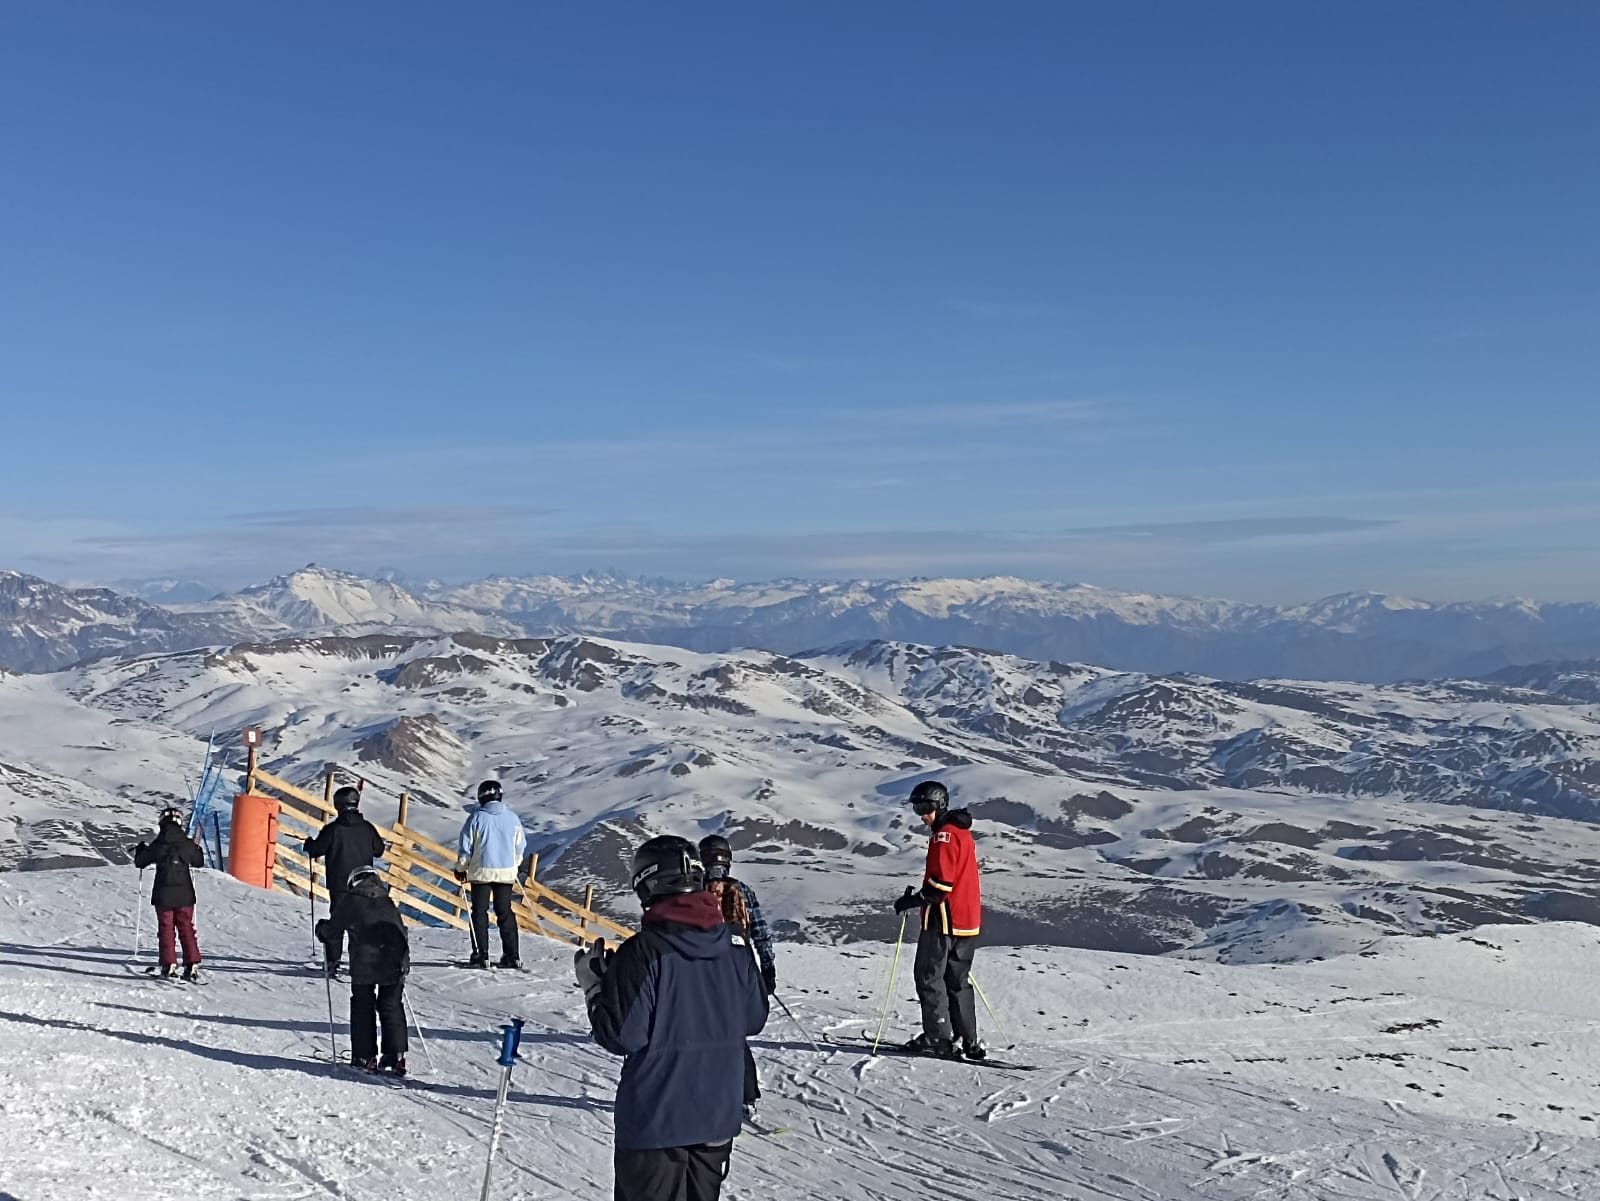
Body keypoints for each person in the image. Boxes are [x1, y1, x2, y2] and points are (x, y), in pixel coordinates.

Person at [574, 835, 768, 1201]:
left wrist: (595, 988)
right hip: (717, 1117)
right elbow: (753, 1018)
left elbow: (622, 1036)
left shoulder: (644, 951)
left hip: (656, 1120)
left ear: (646, 885)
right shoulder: (735, 945)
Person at [893, 779, 984, 1060]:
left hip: (943, 920)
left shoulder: (942, 836)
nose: (921, 815)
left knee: (929, 976)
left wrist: (912, 901)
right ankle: (967, 1039)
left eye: (924, 808)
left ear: (939, 805)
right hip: (968, 921)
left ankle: (938, 1037)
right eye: (917, 809)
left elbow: (941, 885)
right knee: (957, 980)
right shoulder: (962, 832)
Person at [698, 834, 775, 1121]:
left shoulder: (693, 890)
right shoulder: (742, 890)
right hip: (739, 969)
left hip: (701, 970)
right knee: (733, 1033)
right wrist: (767, 968)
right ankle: (746, 1096)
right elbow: (760, 931)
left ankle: (705, 1091)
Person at [316, 864, 411, 1074]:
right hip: (395, 960)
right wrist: (404, 962)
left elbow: (332, 930)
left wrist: (321, 929)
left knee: (363, 1005)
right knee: (391, 1005)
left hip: (365, 962)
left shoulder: (351, 901)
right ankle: (395, 1056)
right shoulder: (387, 901)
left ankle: (365, 1056)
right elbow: (401, 931)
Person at [303, 786, 386, 976]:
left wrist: (309, 844)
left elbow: (316, 850)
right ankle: (359, 962)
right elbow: (379, 850)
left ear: (338, 805)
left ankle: (333, 962)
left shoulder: (333, 829)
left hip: (339, 884)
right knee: (361, 923)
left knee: (338, 923)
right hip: (364, 884)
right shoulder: (367, 828)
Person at [454, 780, 527, 969]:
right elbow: (520, 846)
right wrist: (514, 865)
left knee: (479, 912)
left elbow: (466, 848)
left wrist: (461, 869)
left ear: (481, 796)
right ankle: (512, 955)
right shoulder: (512, 818)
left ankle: (481, 954)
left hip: (481, 872)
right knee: (505, 912)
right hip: (506, 872)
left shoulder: (476, 818)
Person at [132, 805, 206, 981]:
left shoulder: (159, 844)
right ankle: (192, 964)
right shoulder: (187, 844)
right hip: (185, 895)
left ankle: (169, 965)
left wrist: (141, 849)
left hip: (163, 895)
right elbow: (198, 862)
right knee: (187, 928)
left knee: (166, 929)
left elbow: (140, 862)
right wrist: (196, 849)